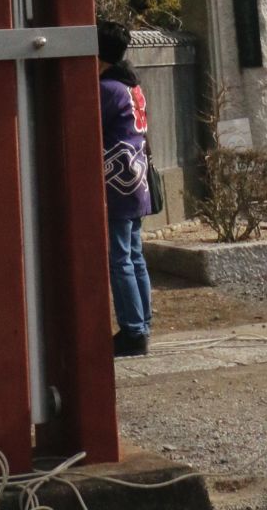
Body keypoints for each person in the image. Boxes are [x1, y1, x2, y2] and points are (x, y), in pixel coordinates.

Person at [97, 19, 153, 357]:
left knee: (120, 258)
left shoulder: (106, 89)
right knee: (134, 254)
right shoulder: (131, 86)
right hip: (138, 178)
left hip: (117, 182)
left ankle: (132, 331)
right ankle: (142, 324)